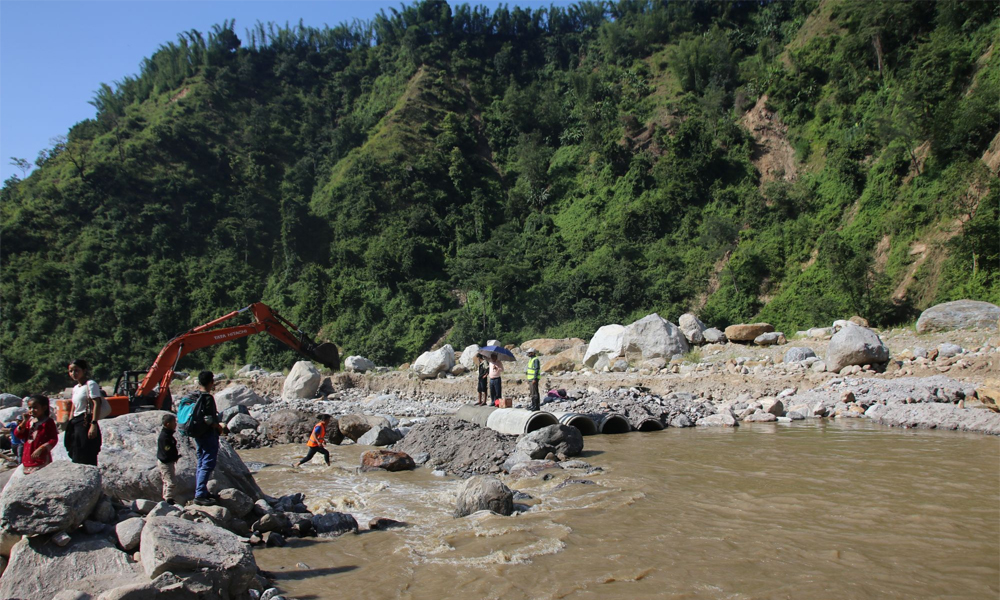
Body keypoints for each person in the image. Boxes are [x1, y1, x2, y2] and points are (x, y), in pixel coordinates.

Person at [191, 371, 222, 506]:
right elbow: (209, 419)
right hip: (208, 434)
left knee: (201, 462)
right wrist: (218, 426)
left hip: (197, 433)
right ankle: (199, 495)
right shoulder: (207, 398)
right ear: (211, 382)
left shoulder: (194, 396)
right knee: (207, 463)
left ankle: (201, 491)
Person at [66, 358, 102, 465]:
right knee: (75, 449)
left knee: (86, 451)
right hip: (75, 422)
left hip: (86, 420)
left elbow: (97, 403)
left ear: (84, 370)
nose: (73, 373)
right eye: (71, 371)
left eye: (76, 370)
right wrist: (70, 421)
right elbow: (74, 406)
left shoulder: (90, 384)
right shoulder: (75, 388)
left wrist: (94, 424)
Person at [16, 395, 58, 474]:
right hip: (27, 459)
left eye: (35, 408)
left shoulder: (48, 422)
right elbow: (19, 435)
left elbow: (53, 439)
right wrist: (24, 421)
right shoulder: (29, 422)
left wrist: (41, 448)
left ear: (44, 408)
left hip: (40, 460)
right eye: (30, 408)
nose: (31, 410)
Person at [157, 413, 180, 504]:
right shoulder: (164, 437)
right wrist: (173, 457)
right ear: (167, 424)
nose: (175, 424)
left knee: (167, 481)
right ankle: (168, 499)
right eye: (173, 422)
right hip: (165, 462)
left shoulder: (168, 435)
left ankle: (167, 498)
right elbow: (166, 450)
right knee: (171, 482)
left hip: (168, 461)